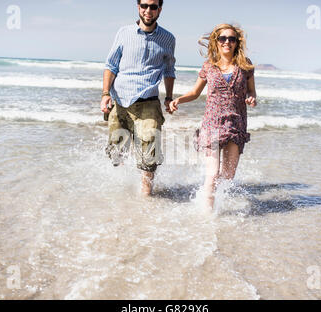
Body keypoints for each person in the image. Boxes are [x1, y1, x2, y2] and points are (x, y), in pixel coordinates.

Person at [168, 23, 257, 211]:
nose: (227, 42)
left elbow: (251, 92)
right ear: (216, 42)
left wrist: (251, 98)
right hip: (212, 124)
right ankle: (207, 216)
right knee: (212, 174)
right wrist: (179, 100)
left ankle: (215, 205)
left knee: (228, 176)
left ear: (236, 43)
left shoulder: (246, 66)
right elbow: (194, 92)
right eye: (223, 38)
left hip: (236, 124)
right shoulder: (209, 66)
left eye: (231, 39)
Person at [100, 0, 176, 196]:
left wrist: (169, 97)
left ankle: (145, 194)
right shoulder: (123, 33)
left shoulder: (168, 39)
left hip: (148, 102)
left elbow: (169, 70)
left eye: (153, 6)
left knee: (149, 150)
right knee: (117, 152)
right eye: (144, 5)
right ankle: (120, 191)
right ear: (138, 7)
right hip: (120, 103)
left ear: (160, 9)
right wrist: (105, 94)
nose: (148, 10)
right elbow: (111, 66)